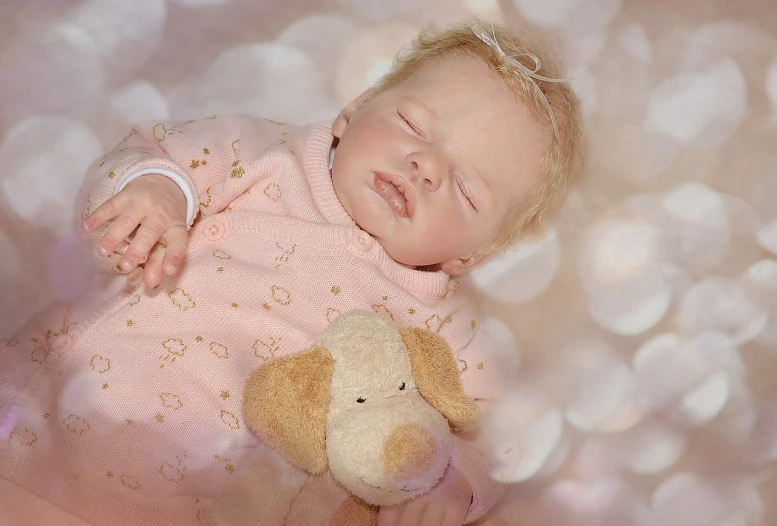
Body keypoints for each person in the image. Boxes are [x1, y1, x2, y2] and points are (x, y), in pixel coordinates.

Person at [0, 19, 582, 526]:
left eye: (465, 189)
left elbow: (496, 432)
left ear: (469, 257)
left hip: (218, 502)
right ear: (352, 112)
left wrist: (453, 483)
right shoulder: (262, 155)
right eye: (414, 124)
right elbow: (155, 154)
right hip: (59, 416)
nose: (425, 164)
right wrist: (155, 192)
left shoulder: (447, 325)